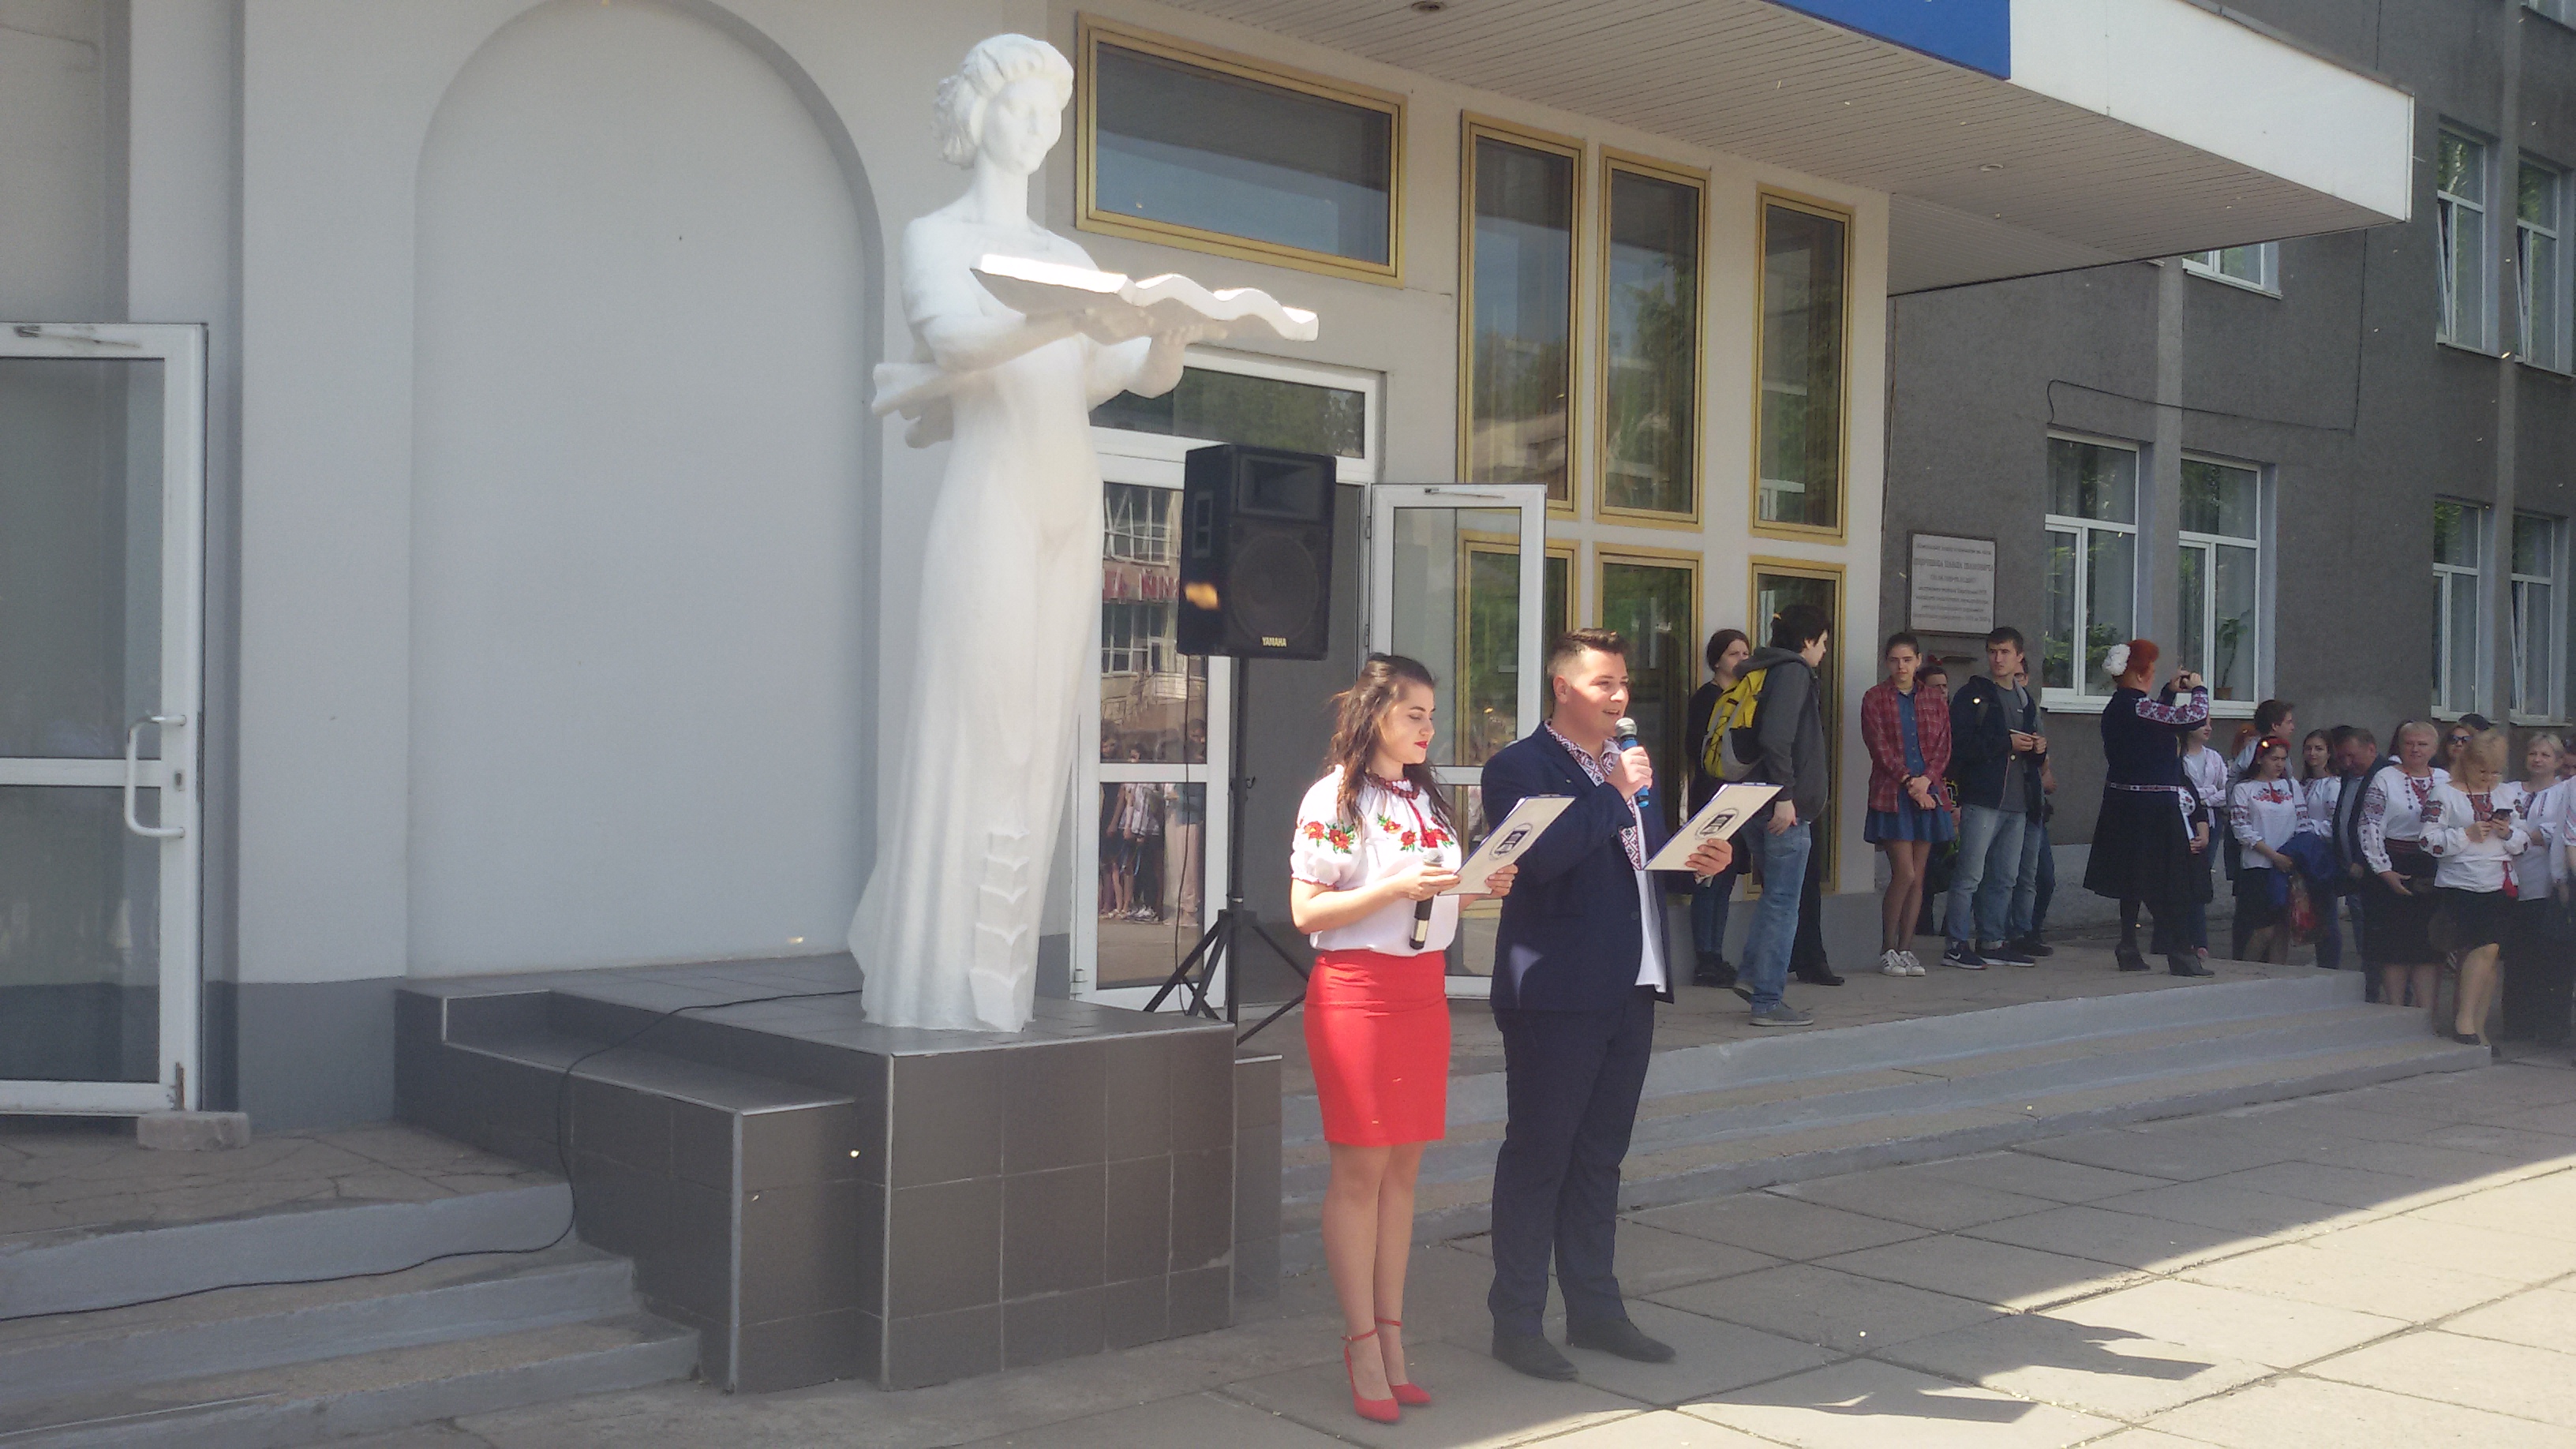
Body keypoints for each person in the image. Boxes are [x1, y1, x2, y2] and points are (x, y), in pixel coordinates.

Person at [1479, 630, 1731, 1383]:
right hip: (1556, 992)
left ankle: (1595, 1311)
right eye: (1603, 684)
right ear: (1563, 687)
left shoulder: (1627, 768)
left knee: (1600, 1158)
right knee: (1540, 1156)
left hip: (1632, 985)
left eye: (1623, 684)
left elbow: (1643, 864)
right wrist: (1614, 792)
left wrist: (1699, 861)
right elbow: (1539, 861)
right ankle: (1517, 1322)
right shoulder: (1519, 767)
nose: (1620, 697)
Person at [1289, 655, 1518, 1422]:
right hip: (1357, 994)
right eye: (1414, 714)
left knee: (1404, 1174)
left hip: (1422, 994)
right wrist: (1392, 888)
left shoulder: (1426, 797)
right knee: (1361, 1173)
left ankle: (1391, 1340)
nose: (1428, 727)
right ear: (1374, 715)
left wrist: (1480, 884)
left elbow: (1432, 897)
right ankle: (1360, 1343)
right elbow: (1306, 911)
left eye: (1431, 714)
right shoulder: (1336, 795)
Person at [2083, 639, 2215, 975]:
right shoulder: (2138, 706)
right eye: (2152, 670)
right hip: (2154, 807)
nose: (2154, 676)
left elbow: (2151, 729)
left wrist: (2169, 693)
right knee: (2170, 880)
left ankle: (2129, 944)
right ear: (2142, 674)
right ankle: (2180, 952)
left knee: (2132, 879)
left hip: (2124, 804)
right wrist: (2199, 689)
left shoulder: (2119, 706)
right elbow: (2191, 718)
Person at [1739, 605, 1835, 1023]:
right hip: (1783, 808)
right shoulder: (1794, 672)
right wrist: (1786, 795)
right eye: (1823, 642)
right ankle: (1767, 999)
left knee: (1774, 898)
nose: (1825, 651)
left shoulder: (1765, 668)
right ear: (1807, 640)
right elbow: (1777, 738)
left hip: (1756, 800)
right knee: (1783, 903)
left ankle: (1752, 976)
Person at [1941, 627, 2045, 968]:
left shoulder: (2025, 699)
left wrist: (2038, 750)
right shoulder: (1974, 695)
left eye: (2004, 652)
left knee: (2005, 877)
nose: (1997, 659)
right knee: (1970, 874)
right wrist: (2006, 743)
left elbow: (2031, 753)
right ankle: (1956, 943)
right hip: (1983, 798)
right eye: (1992, 652)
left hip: (2018, 800)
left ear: (2019, 657)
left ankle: (1992, 940)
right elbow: (1960, 746)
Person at [2423, 728, 2527, 1047]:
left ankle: (2477, 1026)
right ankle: (2464, 1019)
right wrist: (2465, 835)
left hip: (2499, 882)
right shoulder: (2444, 793)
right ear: (2467, 762)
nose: (2489, 778)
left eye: (2495, 771)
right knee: (2477, 949)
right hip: (2461, 883)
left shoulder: (2507, 794)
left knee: (2491, 953)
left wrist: (2507, 833)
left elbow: (2524, 841)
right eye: (2482, 770)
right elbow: (2428, 841)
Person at [1862, 632, 1952, 976]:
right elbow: (1878, 746)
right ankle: (1887, 948)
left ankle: (1907, 949)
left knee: (1919, 877)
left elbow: (1944, 745)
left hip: (1928, 793)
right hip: (1893, 793)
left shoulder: (1933, 699)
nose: (1901, 666)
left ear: (1918, 661)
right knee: (1905, 872)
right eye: (1894, 660)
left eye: (1907, 660)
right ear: (1886, 662)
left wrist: (1927, 780)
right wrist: (1909, 782)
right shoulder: (1875, 698)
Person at [2361, 721, 2450, 1012]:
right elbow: (2370, 823)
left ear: (2434, 748)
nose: (2415, 749)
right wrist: (2383, 870)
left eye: (2422, 744)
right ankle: (2396, 1012)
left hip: (2432, 866)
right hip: (2394, 862)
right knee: (2395, 946)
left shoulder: (2445, 779)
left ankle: (2426, 1016)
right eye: (2409, 743)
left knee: (2428, 946)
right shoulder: (2385, 777)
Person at [1683, 628, 1753, 988]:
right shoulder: (1707, 698)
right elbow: (1696, 748)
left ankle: (1717, 952)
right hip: (1711, 793)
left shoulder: (1745, 696)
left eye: (1745, 653)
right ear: (1717, 660)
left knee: (1725, 878)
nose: (1741, 660)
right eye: (1733, 654)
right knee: (1707, 877)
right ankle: (1705, 957)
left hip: (1737, 795)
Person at [2502, 732, 2569, 1044]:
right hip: (2510, 882)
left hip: (2545, 885)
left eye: (2545, 755)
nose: (2538, 760)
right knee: (2517, 959)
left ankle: (2549, 1027)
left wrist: (2514, 833)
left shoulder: (2564, 792)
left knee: (2547, 960)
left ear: (2558, 761)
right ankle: (2518, 1025)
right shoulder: (2510, 790)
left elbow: (2554, 834)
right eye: (2533, 754)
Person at [2227, 739, 2302, 962]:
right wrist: (2273, 856)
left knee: (2282, 929)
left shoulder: (2292, 786)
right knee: (2263, 929)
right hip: (2258, 867)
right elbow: (2241, 829)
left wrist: (2292, 855)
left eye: (2283, 759)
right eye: (2274, 759)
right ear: (2260, 760)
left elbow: (2303, 822)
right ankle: (2247, 971)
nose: (2279, 764)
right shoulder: (2244, 789)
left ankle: (2277, 973)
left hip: (2287, 866)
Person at [2003, 657, 2055, 958]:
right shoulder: (1999, 704)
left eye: (2022, 676)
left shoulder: (2030, 706)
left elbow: (2043, 760)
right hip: (2006, 800)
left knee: (2039, 876)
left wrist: (2041, 754)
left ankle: (2029, 932)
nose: (2017, 682)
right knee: (2003, 874)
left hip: (2033, 801)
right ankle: (2004, 934)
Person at [2177, 721, 2229, 960]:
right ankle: (2184, 938)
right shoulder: (2179, 756)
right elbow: (2183, 790)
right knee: (2185, 879)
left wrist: (2204, 799)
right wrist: (2205, 794)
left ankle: (2199, 940)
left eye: (2210, 723)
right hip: (2184, 821)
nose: (2208, 728)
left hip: (2210, 823)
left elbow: (2226, 790)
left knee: (2200, 877)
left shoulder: (2214, 757)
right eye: (2202, 723)